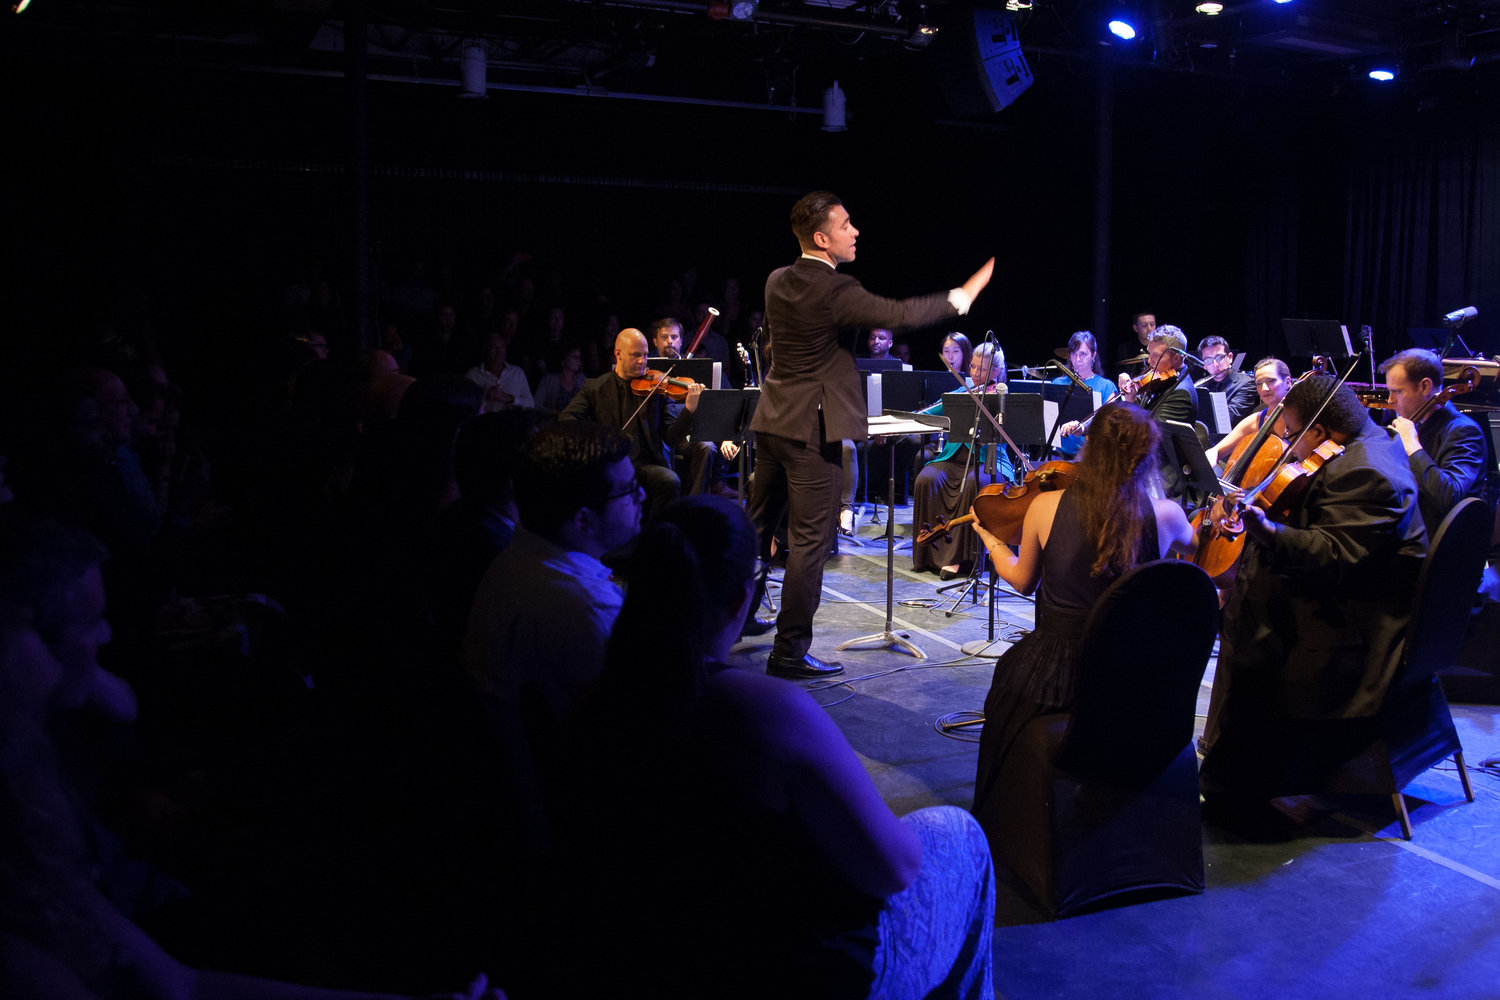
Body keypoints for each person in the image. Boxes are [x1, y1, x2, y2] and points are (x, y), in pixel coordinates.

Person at [546, 496, 996, 1000]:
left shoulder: (591, 699)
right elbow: (893, 867)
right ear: (741, 600)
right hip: (779, 970)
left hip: (648, 958)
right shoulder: (766, 709)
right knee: (957, 834)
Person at [748, 191, 994, 679]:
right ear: (822, 238)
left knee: (756, 531)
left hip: (772, 421)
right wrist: (960, 297)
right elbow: (898, 315)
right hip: (810, 429)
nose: (855, 231)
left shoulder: (776, 280)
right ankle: (789, 652)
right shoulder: (833, 289)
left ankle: (728, 617)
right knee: (810, 544)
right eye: (845, 225)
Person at [968, 402, 1194, 855]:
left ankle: (1003, 825)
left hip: (1057, 671)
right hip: (1133, 674)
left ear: (1089, 447)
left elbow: (1023, 581)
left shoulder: (1045, 505)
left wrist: (991, 539)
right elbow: (1197, 553)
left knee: (1003, 694)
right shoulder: (1167, 514)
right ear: (1146, 455)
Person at [1199, 376, 1428, 813]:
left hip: (1355, 630)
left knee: (1252, 619)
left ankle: (1239, 790)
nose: (1288, 445)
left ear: (1320, 431)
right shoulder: (1368, 442)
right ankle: (1229, 765)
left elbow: (1334, 553)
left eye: (1291, 433)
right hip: (1352, 596)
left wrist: (1267, 530)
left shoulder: (1367, 471)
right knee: (1246, 598)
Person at [462, 421, 641, 725]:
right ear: (583, 520)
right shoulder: (589, 609)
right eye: (630, 489)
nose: (643, 496)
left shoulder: (519, 554)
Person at [561, 327, 701, 518]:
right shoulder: (595, 387)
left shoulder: (658, 388)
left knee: (670, 481)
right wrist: (597, 440)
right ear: (618, 354)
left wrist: (689, 410)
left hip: (646, 465)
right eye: (636, 355)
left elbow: (671, 437)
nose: (643, 361)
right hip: (611, 463)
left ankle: (652, 533)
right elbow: (567, 418)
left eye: (645, 355)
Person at [911, 342, 1015, 578]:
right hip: (953, 459)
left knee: (971, 483)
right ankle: (928, 552)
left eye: (982, 369)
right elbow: (932, 412)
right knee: (927, 479)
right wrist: (911, 417)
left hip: (989, 462)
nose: (975, 373)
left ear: (996, 371)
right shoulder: (961, 393)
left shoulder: (1001, 397)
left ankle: (958, 559)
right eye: (973, 367)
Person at [1380, 347, 1489, 538]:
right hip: (1405, 535)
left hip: (1435, 545)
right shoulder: (1413, 424)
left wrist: (1412, 446)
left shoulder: (1464, 431)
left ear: (1425, 387)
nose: (1390, 400)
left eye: (1397, 391)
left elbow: (1449, 496)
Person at [1203, 357, 1294, 469]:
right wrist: (1209, 458)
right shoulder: (1256, 420)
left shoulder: (1301, 418)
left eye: (1271, 381)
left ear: (1288, 382)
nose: (1264, 388)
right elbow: (1215, 451)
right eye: (1259, 383)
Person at [1049, 331, 1117, 460]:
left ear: (1093, 355)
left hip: (1091, 457)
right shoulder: (1057, 384)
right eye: (1074, 354)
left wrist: (1083, 427)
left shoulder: (1106, 386)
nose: (1077, 359)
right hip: (1058, 455)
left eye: (1083, 354)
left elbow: (1108, 426)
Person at [1115, 325, 1199, 426]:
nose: (1150, 361)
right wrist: (1130, 396)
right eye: (1149, 354)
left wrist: (1130, 403)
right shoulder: (1158, 380)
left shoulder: (1180, 393)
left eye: (1156, 356)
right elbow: (1141, 408)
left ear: (1177, 358)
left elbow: (1152, 431)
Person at [1194, 335, 1260, 438]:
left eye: (1219, 357)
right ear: (1204, 365)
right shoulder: (1201, 385)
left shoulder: (1246, 384)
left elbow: (1230, 420)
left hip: (1233, 442)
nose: (1215, 364)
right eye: (1208, 360)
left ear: (1230, 357)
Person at [464, 331, 535, 414]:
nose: (499, 352)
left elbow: (531, 404)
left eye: (502, 347)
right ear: (486, 350)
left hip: (512, 421)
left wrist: (509, 398)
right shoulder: (473, 375)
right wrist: (485, 395)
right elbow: (464, 407)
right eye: (494, 347)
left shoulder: (517, 373)